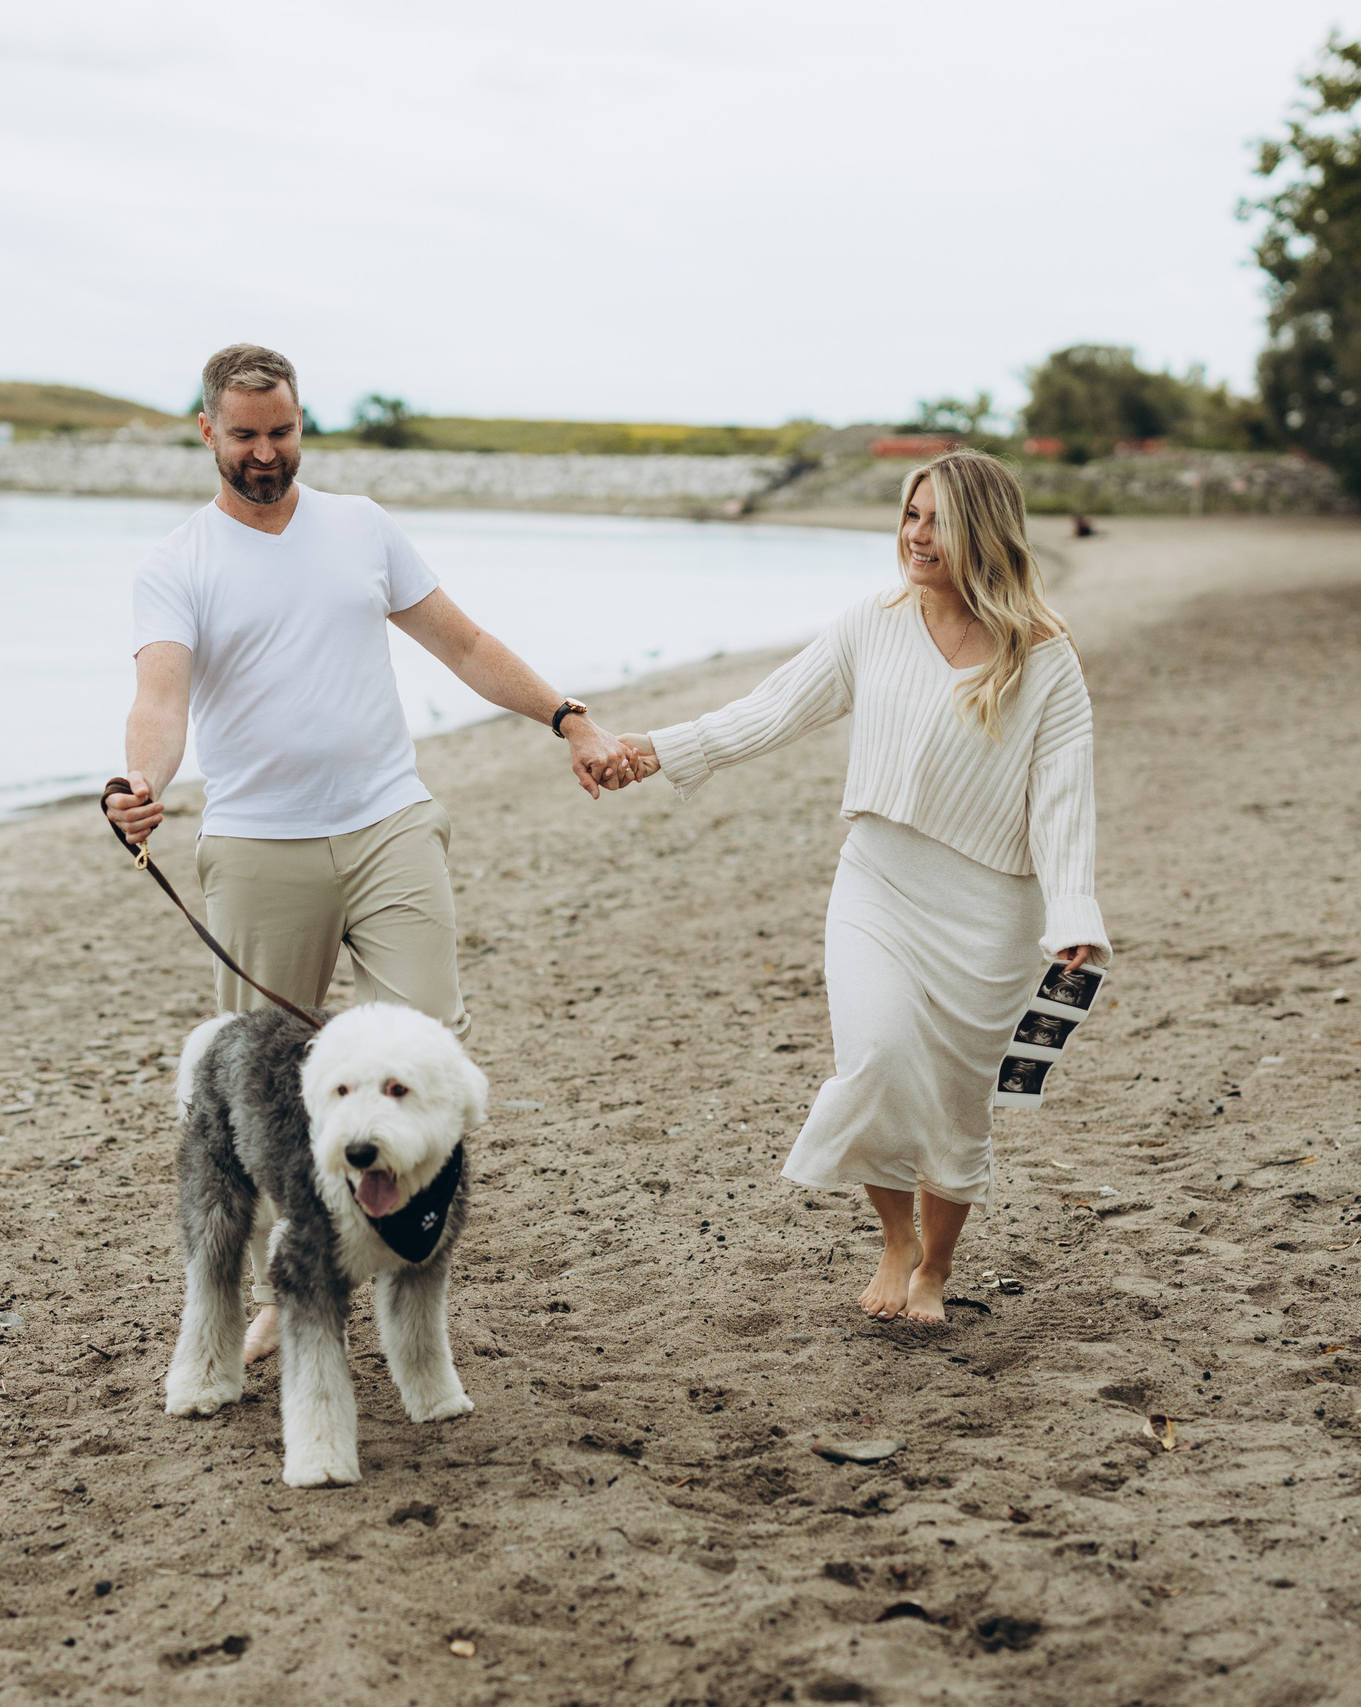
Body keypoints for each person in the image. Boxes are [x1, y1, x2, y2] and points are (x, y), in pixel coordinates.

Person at [105, 343, 643, 1359]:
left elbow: (466, 645)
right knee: (265, 1085)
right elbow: (160, 694)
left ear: (301, 421)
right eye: (246, 436)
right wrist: (140, 787)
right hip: (260, 842)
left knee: (424, 1043)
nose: (268, 454)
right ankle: (289, 1280)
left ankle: (400, 1260)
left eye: (284, 431)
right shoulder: (175, 564)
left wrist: (566, 715)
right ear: (207, 433)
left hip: (390, 820)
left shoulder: (361, 527)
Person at [619, 450, 1109, 1324]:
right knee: (877, 1059)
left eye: (938, 519)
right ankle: (895, 1238)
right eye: (910, 514)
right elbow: (768, 712)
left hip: (990, 911)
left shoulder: (1045, 657)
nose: (916, 535)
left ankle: (936, 1267)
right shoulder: (871, 623)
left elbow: (1063, 800)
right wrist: (656, 748)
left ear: (983, 530)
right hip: (877, 885)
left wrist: (1074, 916)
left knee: (959, 1108)